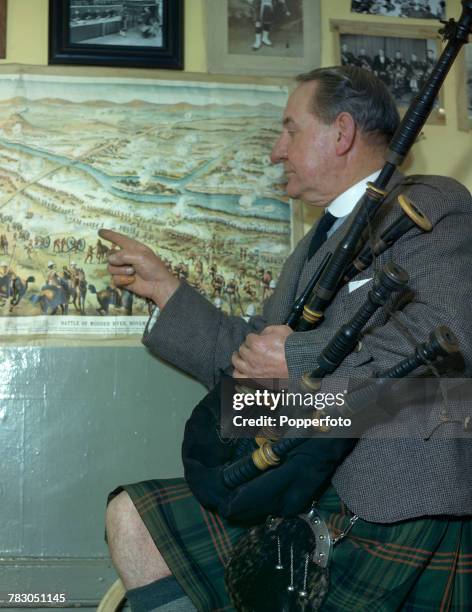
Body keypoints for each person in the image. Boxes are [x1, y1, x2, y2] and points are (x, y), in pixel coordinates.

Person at [102, 66, 472, 610]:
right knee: (132, 519)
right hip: (299, 473)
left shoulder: (433, 204)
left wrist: (294, 358)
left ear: (341, 132)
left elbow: (453, 340)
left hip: (391, 494)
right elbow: (252, 359)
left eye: (290, 129)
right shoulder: (317, 240)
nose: (278, 150)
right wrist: (166, 290)